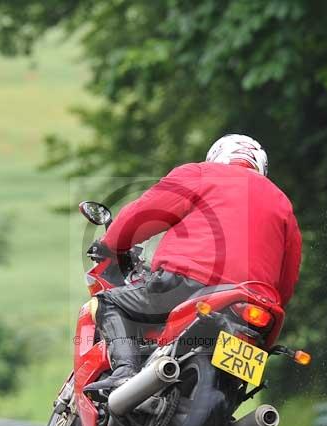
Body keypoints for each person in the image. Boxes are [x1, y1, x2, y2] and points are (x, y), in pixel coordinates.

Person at [85, 134, 302, 392]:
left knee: (107, 302)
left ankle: (124, 372)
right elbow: (288, 276)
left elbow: (145, 213)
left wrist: (111, 243)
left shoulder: (202, 173)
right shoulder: (281, 202)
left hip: (189, 281)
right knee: (238, 386)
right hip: (257, 305)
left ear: (216, 157)